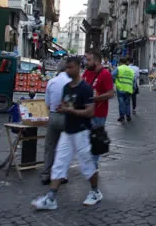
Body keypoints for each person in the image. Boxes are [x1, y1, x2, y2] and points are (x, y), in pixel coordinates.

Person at [31, 57, 103, 210]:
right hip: (67, 131)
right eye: (66, 68)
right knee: (59, 164)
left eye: (70, 68)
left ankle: (95, 192)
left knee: (87, 164)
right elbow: (66, 104)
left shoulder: (85, 88)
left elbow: (90, 111)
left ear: (78, 68)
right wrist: (64, 108)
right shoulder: (67, 88)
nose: (67, 71)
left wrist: (71, 110)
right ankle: (51, 197)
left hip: (81, 131)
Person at [41, 61, 71, 185]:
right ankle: (61, 175)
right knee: (64, 148)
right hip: (68, 117)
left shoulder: (51, 82)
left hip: (53, 116)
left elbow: (47, 103)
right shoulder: (71, 82)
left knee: (50, 146)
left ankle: (46, 174)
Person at [82, 50, 114, 165]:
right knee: (84, 141)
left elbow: (111, 93)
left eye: (89, 60)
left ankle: (93, 168)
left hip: (98, 114)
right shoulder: (87, 72)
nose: (86, 62)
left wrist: (94, 99)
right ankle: (88, 166)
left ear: (96, 61)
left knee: (95, 141)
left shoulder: (105, 74)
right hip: (85, 112)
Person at [112, 57, 134, 122]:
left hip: (120, 88)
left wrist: (114, 81)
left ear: (120, 62)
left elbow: (111, 75)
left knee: (121, 103)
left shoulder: (119, 68)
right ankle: (128, 116)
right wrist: (133, 88)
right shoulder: (130, 70)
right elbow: (134, 80)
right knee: (127, 103)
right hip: (128, 89)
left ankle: (122, 117)